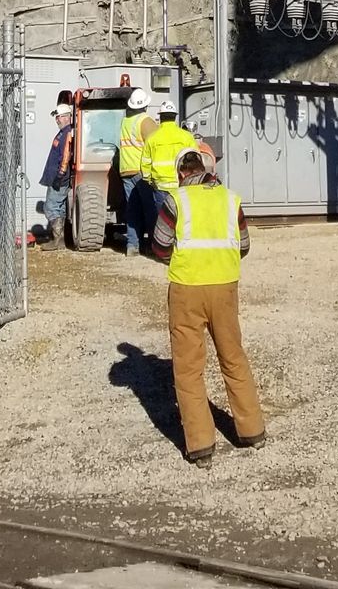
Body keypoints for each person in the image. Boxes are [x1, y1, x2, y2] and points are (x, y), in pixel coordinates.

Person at [149, 146, 265, 465]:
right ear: (203, 167)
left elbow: (159, 247)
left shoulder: (176, 201)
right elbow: (243, 246)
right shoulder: (230, 199)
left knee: (188, 368)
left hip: (187, 288)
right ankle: (252, 431)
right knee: (233, 356)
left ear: (180, 173)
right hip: (225, 287)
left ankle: (201, 447)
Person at [141, 98, 213, 201]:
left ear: (160, 116)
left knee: (163, 216)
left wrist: (148, 180)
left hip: (160, 186)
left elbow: (145, 164)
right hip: (182, 185)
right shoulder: (187, 136)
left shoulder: (152, 138)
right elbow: (196, 160)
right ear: (175, 117)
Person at [35, 98, 76, 244]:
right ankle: (60, 239)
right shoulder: (63, 133)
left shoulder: (67, 133)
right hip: (56, 176)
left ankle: (58, 240)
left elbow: (66, 155)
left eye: (58, 117)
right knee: (58, 208)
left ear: (66, 117)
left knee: (51, 207)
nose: (56, 120)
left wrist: (59, 175)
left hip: (59, 178)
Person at [117, 87, 151, 254]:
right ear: (145, 106)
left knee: (132, 209)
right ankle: (153, 244)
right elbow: (156, 142)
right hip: (141, 171)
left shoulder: (125, 122)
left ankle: (132, 245)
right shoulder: (145, 120)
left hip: (126, 170)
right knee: (149, 208)